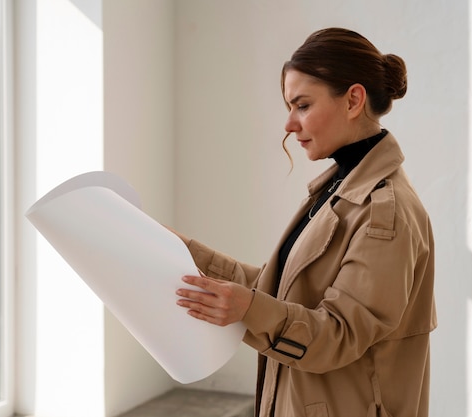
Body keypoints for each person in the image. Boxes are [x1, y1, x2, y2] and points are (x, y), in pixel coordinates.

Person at [174, 27, 436, 417]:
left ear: (353, 100)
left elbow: (337, 335)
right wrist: (182, 252)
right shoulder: (338, 190)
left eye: (302, 105)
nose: (289, 125)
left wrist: (247, 309)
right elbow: (279, 292)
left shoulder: (386, 212)